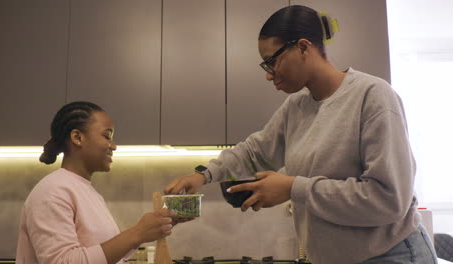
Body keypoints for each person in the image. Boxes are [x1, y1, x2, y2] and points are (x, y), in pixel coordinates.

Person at [164, 5, 438, 264]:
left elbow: (389, 200)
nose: (269, 75)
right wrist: (203, 174)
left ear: (304, 47)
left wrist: (293, 187)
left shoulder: (373, 96)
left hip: (392, 255)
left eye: (272, 61)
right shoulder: (296, 107)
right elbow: (255, 152)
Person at [16, 101, 176, 264]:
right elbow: (63, 261)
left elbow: (103, 253)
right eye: (107, 136)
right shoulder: (52, 191)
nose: (113, 146)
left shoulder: (88, 192)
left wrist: (155, 227)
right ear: (77, 137)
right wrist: (138, 233)